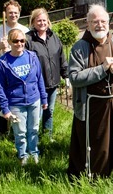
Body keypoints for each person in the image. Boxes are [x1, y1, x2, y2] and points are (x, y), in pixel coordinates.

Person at [67, 4, 113, 180]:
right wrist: (102, 69)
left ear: (109, 22)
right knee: (96, 142)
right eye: (95, 21)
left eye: (103, 21)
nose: (100, 25)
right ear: (88, 24)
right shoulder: (79, 47)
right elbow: (74, 77)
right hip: (91, 106)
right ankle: (94, 175)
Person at [0, 29, 48, 166]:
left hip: (34, 100)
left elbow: (39, 78)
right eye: (16, 41)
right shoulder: (2, 62)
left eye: (22, 40)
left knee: (34, 129)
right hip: (16, 103)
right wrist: (5, 109)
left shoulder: (32, 57)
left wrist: (43, 98)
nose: (19, 43)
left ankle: (34, 152)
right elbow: (0, 88)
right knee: (20, 132)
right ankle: (22, 155)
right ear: (10, 42)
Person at [25, 8, 69, 141]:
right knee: (35, 114)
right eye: (38, 20)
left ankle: (47, 136)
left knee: (49, 111)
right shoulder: (28, 39)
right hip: (35, 85)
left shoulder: (54, 37)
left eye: (44, 20)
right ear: (33, 22)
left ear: (48, 22)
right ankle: (32, 139)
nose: (42, 23)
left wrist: (66, 75)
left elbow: (61, 57)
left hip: (52, 82)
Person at [0, 0, 30, 136]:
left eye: (15, 12)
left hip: (21, 73)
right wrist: (0, 46)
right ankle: (3, 132)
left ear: (19, 13)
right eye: (10, 12)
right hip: (4, 73)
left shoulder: (25, 30)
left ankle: (20, 130)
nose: (13, 15)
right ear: (5, 13)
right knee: (3, 102)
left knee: (20, 102)